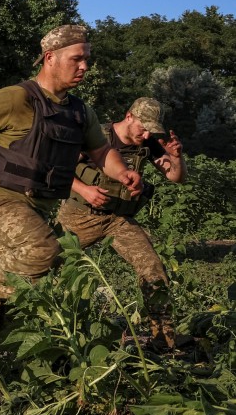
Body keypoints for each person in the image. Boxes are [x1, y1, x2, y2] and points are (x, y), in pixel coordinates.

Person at [0, 25, 143, 368]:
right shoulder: (17, 98)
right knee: (41, 252)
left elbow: (100, 153)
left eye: (87, 60)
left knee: (6, 300)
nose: (84, 67)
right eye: (76, 59)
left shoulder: (80, 113)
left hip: (38, 208)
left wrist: (123, 172)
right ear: (50, 58)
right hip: (1, 200)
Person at [57, 97, 187, 347]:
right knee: (45, 266)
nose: (147, 133)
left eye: (152, 129)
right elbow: (59, 166)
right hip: (79, 216)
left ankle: (164, 338)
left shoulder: (148, 143)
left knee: (152, 268)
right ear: (129, 117)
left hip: (118, 220)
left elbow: (175, 177)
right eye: (143, 126)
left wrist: (176, 157)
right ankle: (46, 328)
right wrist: (84, 190)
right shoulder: (97, 135)